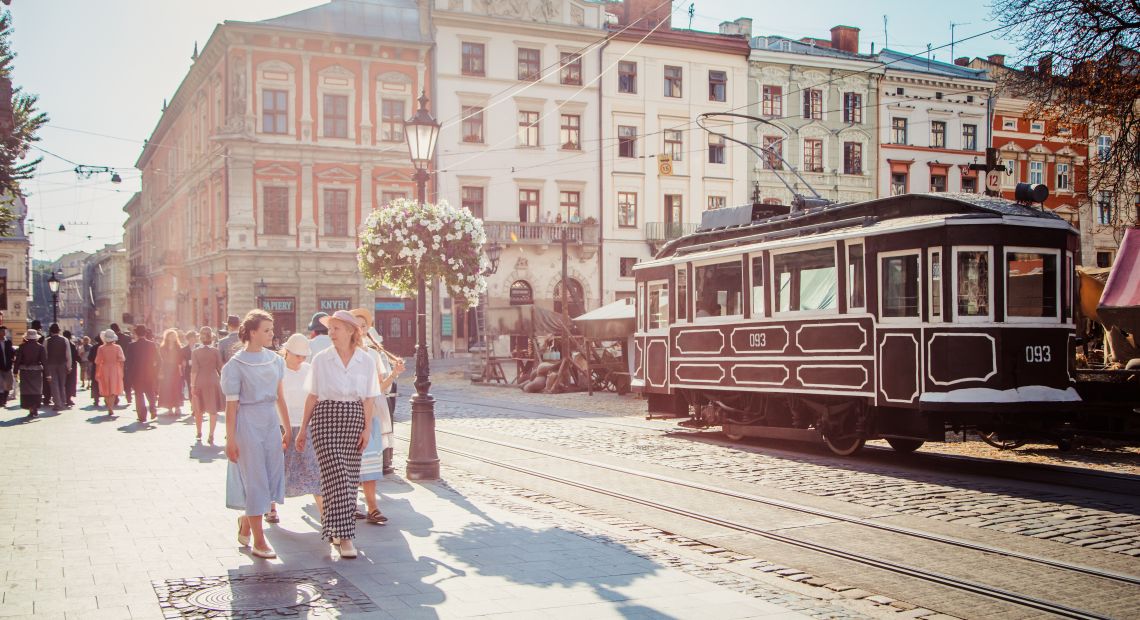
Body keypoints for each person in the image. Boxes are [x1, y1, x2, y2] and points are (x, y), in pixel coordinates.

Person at [296, 310, 380, 559]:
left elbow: (369, 399)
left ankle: (334, 528)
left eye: (336, 328)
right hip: (325, 418)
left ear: (351, 331)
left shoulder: (365, 360)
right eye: (329, 328)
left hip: (353, 418)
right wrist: (302, 429)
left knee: (345, 479)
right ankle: (346, 538)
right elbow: (312, 395)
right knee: (338, 475)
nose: (330, 333)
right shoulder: (322, 359)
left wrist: (366, 428)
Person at [223, 310, 289, 560]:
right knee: (255, 480)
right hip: (247, 423)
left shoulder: (275, 361)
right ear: (252, 332)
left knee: (271, 477)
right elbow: (231, 407)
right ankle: (259, 541)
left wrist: (287, 427)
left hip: (270, 423)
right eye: (267, 330)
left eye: (272, 330)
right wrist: (230, 439)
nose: (272, 334)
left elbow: (280, 396)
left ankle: (247, 521)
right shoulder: (235, 366)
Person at [348, 307, 403, 525]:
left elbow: (379, 387)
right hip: (348, 413)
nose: (360, 330)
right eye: (356, 326)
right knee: (350, 463)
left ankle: (372, 508)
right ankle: (350, 505)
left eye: (363, 326)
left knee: (370, 462)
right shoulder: (342, 352)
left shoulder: (373, 354)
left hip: (370, 413)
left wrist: (394, 374)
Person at [273, 333, 322, 524]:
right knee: (278, 467)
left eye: (304, 356)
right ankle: (271, 507)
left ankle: (324, 514)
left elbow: (314, 396)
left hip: (305, 425)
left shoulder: (308, 370)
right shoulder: (278, 369)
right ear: (287, 352)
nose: (301, 359)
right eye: (297, 356)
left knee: (312, 467)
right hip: (281, 425)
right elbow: (277, 399)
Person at [190, 327, 225, 443]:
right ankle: (211, 435)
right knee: (212, 410)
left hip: (200, 381)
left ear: (200, 337)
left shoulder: (195, 352)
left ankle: (199, 432)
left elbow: (194, 370)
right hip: (213, 380)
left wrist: (192, 385)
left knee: (199, 409)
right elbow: (220, 367)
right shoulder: (215, 351)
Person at [129, 326, 160, 422]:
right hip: (149, 373)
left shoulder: (132, 346)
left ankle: (142, 415)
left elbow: (129, 362)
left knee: (139, 395)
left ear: (136, 334)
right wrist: (156, 371)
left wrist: (129, 375)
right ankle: (153, 409)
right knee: (150, 393)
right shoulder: (151, 344)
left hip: (136, 374)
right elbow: (159, 359)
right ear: (145, 333)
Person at [14, 330, 46, 418]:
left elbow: (18, 360)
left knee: (27, 390)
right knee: (36, 389)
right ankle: (35, 408)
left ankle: (31, 409)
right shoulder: (40, 347)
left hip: (25, 372)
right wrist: (48, 374)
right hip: (37, 372)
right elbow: (44, 361)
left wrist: (15, 371)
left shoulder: (22, 347)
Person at [94, 329, 125, 417]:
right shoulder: (118, 347)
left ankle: (109, 406)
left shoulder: (101, 348)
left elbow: (98, 362)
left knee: (105, 388)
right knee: (113, 388)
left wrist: (97, 373)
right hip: (115, 369)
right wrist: (121, 371)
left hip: (104, 368)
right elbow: (121, 360)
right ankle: (111, 407)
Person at [43, 324, 72, 412]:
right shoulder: (65, 340)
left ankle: (58, 404)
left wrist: (46, 367)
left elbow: (45, 354)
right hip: (62, 363)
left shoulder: (47, 341)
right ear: (59, 331)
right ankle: (63, 401)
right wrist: (69, 366)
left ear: (51, 331)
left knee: (54, 384)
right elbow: (68, 354)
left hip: (51, 364)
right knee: (62, 384)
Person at [157, 328, 185, 416]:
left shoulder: (178, 347)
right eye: (171, 336)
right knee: (167, 388)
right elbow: (161, 360)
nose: (173, 337)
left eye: (174, 336)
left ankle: (177, 407)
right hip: (166, 369)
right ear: (167, 337)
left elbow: (181, 359)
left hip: (176, 369)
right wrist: (161, 371)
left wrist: (180, 369)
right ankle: (169, 407)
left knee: (176, 387)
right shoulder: (163, 347)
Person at [64, 331, 79, 407]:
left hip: (63, 365)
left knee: (64, 382)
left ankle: (64, 398)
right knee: (71, 382)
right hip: (72, 366)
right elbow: (76, 356)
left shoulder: (62, 344)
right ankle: (68, 399)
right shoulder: (72, 345)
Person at [181, 330, 198, 399]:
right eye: (191, 338)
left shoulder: (200, 347)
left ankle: (199, 404)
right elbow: (182, 361)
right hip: (189, 371)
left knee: (198, 388)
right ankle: (193, 404)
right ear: (188, 339)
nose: (193, 339)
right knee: (190, 388)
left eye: (194, 337)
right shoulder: (183, 349)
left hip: (199, 371)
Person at [0, 326, 14, 407]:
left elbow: (11, 352)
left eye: (4, 331)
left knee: (9, 384)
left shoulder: (8, 342)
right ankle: (2, 401)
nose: (3, 332)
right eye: (2, 331)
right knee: (0, 384)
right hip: (0, 367)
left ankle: (4, 399)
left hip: (8, 366)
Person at [88, 333, 103, 408]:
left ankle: (96, 399)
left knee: (95, 383)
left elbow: (90, 358)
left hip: (96, 367)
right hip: (104, 367)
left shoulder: (94, 347)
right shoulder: (105, 347)